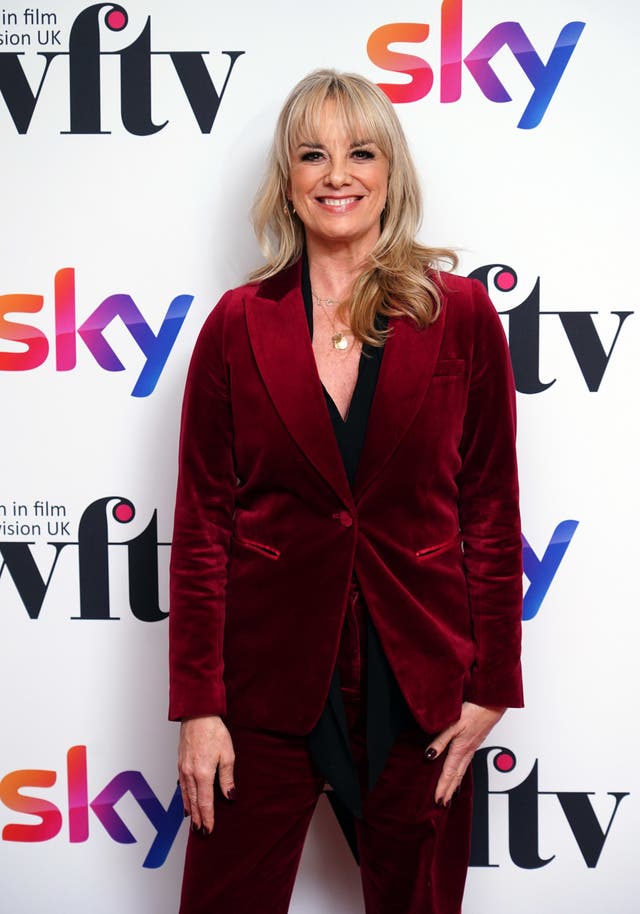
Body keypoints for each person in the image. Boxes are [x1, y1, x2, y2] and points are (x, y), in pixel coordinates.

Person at [169, 69, 523, 914]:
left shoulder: (461, 315)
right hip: (266, 685)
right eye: (313, 154)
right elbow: (202, 525)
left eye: (361, 152)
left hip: (421, 685)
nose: (338, 175)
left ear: (389, 172)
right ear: (286, 180)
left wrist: (491, 686)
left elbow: (493, 511)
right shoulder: (235, 323)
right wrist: (199, 708)